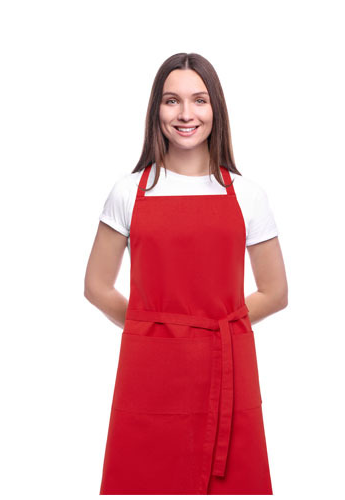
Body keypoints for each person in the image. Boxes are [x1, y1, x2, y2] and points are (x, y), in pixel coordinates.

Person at [84, 52, 288, 495]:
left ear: (216, 108)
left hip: (226, 363)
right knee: (144, 480)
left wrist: (212, 330)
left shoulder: (248, 195)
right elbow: (97, 286)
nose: (185, 114)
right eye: (171, 100)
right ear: (156, 110)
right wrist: (152, 328)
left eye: (199, 100)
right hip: (150, 370)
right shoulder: (128, 191)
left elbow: (274, 292)